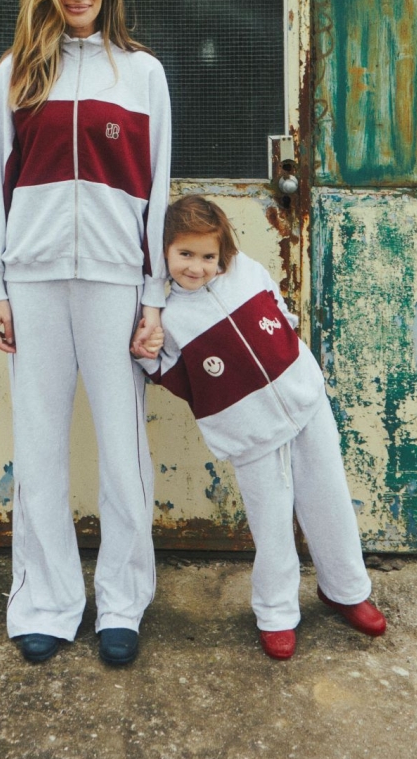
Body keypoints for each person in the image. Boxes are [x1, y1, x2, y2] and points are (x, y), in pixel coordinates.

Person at [0, 0, 171, 667]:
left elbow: (157, 190)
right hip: (33, 278)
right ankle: (46, 604)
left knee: (123, 450)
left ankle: (122, 601)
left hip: (117, 281)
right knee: (41, 447)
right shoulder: (17, 76)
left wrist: (153, 297)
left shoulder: (142, 74)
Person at [139, 195, 385, 659]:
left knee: (328, 497)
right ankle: (275, 613)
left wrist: (288, 356)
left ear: (223, 251)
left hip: (304, 402)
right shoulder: (169, 317)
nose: (197, 267)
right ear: (164, 254)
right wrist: (147, 350)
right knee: (270, 520)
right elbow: (167, 375)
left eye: (208, 256)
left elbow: (279, 310)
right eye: (184, 255)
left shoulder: (246, 271)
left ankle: (346, 590)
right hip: (247, 430)